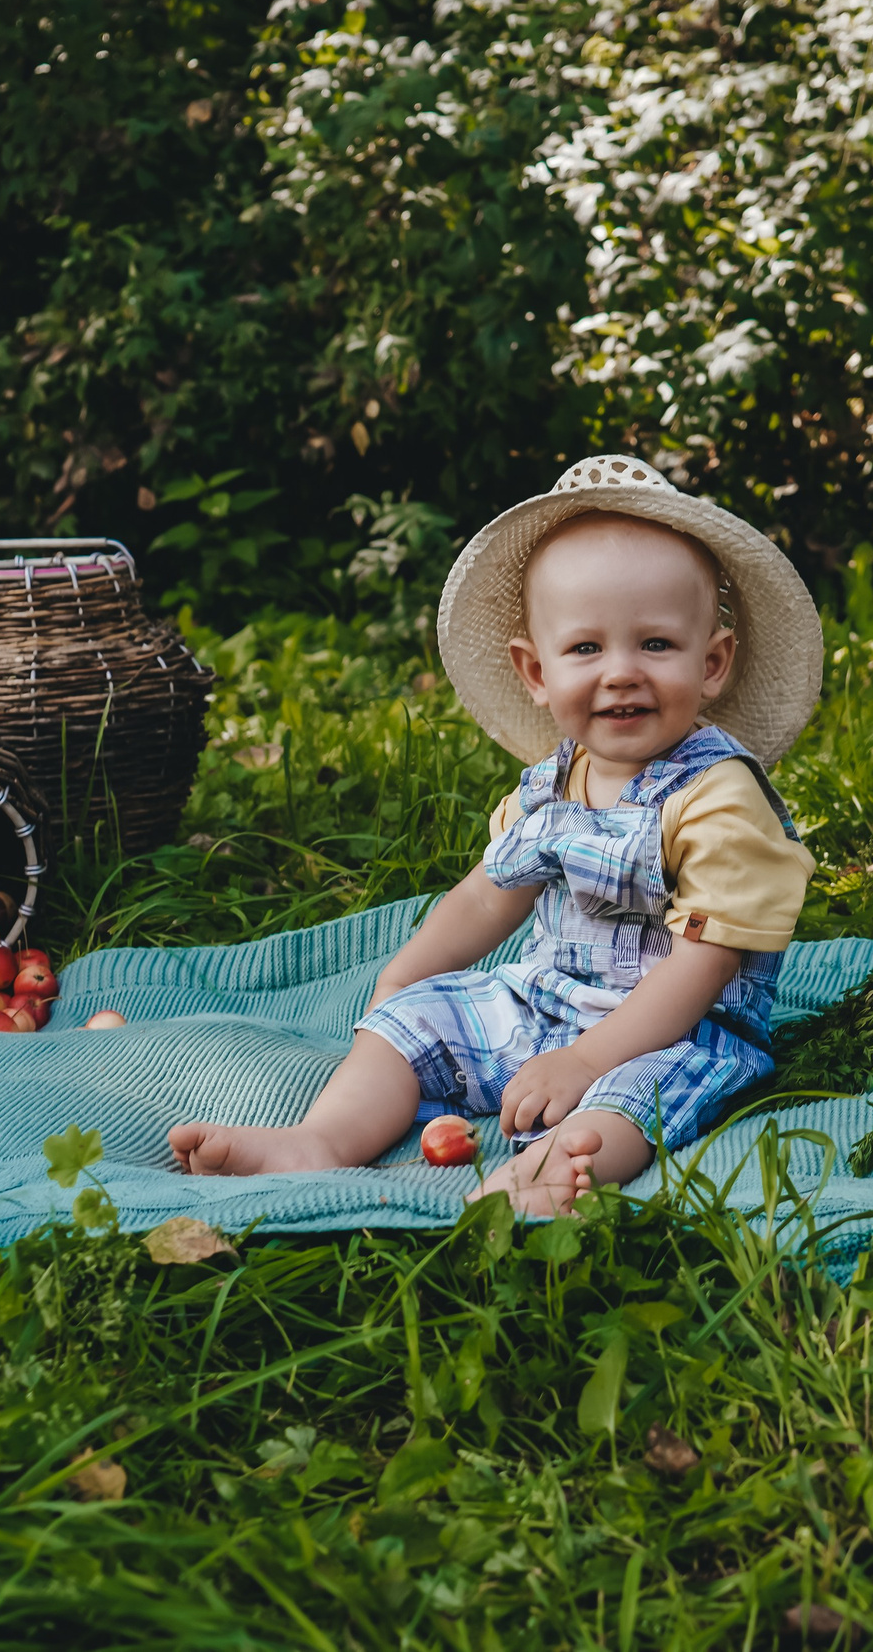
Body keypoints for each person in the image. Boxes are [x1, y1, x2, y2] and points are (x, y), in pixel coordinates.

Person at [167, 456, 823, 1214]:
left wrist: (585, 1060)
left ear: (712, 663)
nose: (620, 673)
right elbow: (488, 896)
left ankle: (553, 1169)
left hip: (677, 1030)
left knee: (632, 1099)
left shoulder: (718, 796)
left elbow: (705, 964)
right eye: (586, 648)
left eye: (655, 645)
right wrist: (403, 978)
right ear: (536, 672)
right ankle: (320, 1139)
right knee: (413, 1022)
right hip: (544, 1006)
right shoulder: (551, 783)